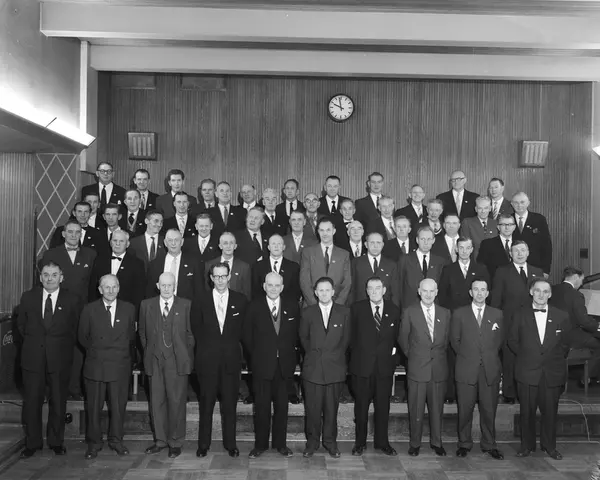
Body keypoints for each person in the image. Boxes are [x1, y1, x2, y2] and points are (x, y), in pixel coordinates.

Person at [18, 262, 81, 458]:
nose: (49, 278)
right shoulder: (28, 297)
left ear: (61, 277)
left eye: (54, 275)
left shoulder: (72, 299)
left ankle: (56, 442)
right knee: (32, 402)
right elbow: (21, 327)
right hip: (33, 359)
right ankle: (32, 443)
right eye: (46, 275)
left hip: (60, 359)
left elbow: (75, 329)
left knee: (58, 401)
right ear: (40, 277)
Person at [508, 278, 571, 460]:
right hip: (527, 371)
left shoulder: (562, 316)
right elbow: (512, 341)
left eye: (545, 291)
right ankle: (526, 446)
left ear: (550, 295)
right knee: (526, 412)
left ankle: (549, 446)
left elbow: (565, 344)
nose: (541, 295)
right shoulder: (519, 315)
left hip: (552, 373)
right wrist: (529, 356)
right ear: (531, 292)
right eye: (537, 290)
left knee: (550, 412)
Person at [192, 263, 248, 458]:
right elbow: (196, 329)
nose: (220, 280)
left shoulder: (240, 300)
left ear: (229, 276)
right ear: (211, 278)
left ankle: (231, 444)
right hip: (207, 361)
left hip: (231, 361)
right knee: (206, 404)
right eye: (217, 276)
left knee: (230, 405)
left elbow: (243, 331)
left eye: (224, 276)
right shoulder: (200, 300)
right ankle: (203, 444)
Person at [243, 272, 300, 458]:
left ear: (282, 287)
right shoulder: (254, 306)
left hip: (284, 366)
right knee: (261, 407)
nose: (273, 289)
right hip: (262, 365)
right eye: (270, 285)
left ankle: (280, 444)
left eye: (277, 285)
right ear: (264, 286)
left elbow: (296, 334)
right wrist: (258, 356)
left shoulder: (292, 306)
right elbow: (247, 336)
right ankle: (260, 445)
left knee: (282, 407)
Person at [79, 274, 136, 459]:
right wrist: (98, 352)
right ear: (100, 289)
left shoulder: (129, 309)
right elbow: (82, 337)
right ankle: (94, 443)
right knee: (93, 407)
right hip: (96, 365)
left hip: (120, 365)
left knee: (118, 407)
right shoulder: (89, 309)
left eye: (114, 287)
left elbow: (131, 337)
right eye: (106, 287)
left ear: (119, 288)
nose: (111, 291)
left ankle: (116, 440)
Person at [139, 272, 194, 459]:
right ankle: (160, 440)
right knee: (157, 402)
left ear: (175, 286)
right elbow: (142, 333)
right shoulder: (146, 305)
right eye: (163, 285)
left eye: (170, 285)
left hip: (177, 361)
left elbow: (190, 335)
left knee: (176, 402)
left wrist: (184, 356)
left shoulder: (185, 305)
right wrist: (151, 352)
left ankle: (175, 441)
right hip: (154, 360)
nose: (166, 288)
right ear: (157, 285)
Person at [41, 219, 97, 400]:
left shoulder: (91, 254)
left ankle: (75, 388)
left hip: (82, 311)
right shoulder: (51, 254)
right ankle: (55, 389)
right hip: (57, 311)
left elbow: (93, 285)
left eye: (77, 232)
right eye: (70, 232)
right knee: (56, 350)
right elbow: (44, 283)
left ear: (81, 234)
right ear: (64, 234)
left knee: (79, 350)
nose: (74, 235)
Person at [450, 278, 504, 460]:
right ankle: (464, 444)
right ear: (470, 292)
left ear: (487, 293)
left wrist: (486, 356)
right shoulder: (459, 314)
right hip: (466, 368)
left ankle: (489, 444)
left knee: (489, 410)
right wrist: (470, 356)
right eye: (476, 289)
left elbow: (499, 342)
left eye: (483, 290)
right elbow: (455, 341)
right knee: (465, 410)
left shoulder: (497, 314)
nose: (479, 293)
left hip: (489, 370)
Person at [398, 278, 451, 457]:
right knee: (416, 409)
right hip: (417, 368)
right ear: (419, 292)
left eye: (431, 291)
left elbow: (446, 341)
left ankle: (437, 442)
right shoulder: (409, 312)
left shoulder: (445, 313)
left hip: (438, 369)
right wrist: (415, 357)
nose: (428, 295)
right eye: (425, 291)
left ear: (436, 292)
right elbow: (403, 339)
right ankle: (415, 443)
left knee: (437, 410)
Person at [300, 277, 351, 458]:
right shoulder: (307, 312)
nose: (324, 293)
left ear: (333, 292)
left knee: (331, 410)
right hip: (313, 368)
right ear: (315, 292)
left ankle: (330, 442)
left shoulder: (344, 312)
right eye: (320, 290)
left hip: (334, 367)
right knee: (312, 410)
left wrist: (332, 356)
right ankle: (312, 443)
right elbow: (303, 339)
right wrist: (316, 355)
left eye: (327, 290)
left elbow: (346, 340)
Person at [349, 276, 401, 456]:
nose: (374, 291)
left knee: (383, 407)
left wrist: (393, 360)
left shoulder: (394, 310)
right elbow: (350, 337)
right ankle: (360, 443)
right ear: (366, 291)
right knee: (361, 408)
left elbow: (397, 338)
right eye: (370, 288)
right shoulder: (356, 309)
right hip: (362, 367)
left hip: (384, 369)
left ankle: (382, 442)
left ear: (384, 290)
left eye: (377, 288)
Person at [490, 240, 544, 403]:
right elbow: (496, 299)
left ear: (528, 252)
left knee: (530, 357)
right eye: (516, 251)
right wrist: (495, 322)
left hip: (532, 322)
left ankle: (529, 391)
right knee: (510, 359)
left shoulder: (537, 271)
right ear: (510, 254)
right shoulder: (502, 271)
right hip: (509, 323)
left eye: (522, 250)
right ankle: (509, 393)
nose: (520, 254)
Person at [437, 236, 489, 403]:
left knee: (475, 355)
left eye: (468, 248)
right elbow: (442, 296)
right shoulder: (448, 269)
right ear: (456, 249)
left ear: (472, 250)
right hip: (455, 319)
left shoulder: (481, 268)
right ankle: (451, 394)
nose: (464, 251)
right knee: (454, 355)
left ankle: (476, 393)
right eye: (461, 248)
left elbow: (486, 294)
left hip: (475, 318)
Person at [551, 266, 600, 387]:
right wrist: (597, 326)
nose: (581, 283)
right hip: (570, 336)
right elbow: (583, 321)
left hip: (552, 334)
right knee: (598, 345)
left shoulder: (552, 289)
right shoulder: (576, 295)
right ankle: (586, 378)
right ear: (575, 277)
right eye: (581, 280)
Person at [299, 218, 352, 306]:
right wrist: (315, 305)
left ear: (334, 231)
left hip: (337, 306)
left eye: (328, 230)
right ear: (318, 232)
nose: (325, 234)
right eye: (322, 230)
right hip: (312, 305)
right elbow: (304, 282)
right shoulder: (308, 252)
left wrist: (336, 306)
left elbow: (347, 283)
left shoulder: (344, 254)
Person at [89, 230, 145, 310]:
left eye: (121, 241)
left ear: (127, 244)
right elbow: (93, 287)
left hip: (126, 310)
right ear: (110, 243)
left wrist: (134, 314)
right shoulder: (99, 261)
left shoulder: (137, 264)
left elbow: (139, 292)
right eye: (115, 240)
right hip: (101, 309)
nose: (117, 244)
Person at [146, 229, 202, 301]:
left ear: (182, 242)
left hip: (187, 306)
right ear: (165, 243)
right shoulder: (154, 264)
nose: (173, 243)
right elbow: (150, 292)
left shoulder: (194, 263)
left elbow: (199, 291)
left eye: (176, 240)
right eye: (170, 240)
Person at [398, 226, 446, 308]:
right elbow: (398, 286)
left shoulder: (440, 262)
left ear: (433, 240)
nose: (425, 242)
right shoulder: (405, 260)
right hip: (410, 308)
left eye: (429, 239)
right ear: (417, 240)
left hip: (433, 308)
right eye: (422, 239)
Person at [351, 232, 400, 307]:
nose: (375, 246)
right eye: (372, 243)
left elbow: (395, 292)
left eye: (378, 243)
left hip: (385, 308)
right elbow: (352, 290)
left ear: (383, 245)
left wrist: (394, 309)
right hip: (361, 308)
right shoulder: (356, 263)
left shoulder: (391, 265)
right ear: (366, 244)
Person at [511, 192, 552, 277]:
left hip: (535, 267)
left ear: (528, 203)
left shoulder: (539, 219)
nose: (519, 205)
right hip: (512, 267)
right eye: (516, 202)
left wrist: (546, 270)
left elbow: (546, 246)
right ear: (511, 204)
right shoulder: (507, 220)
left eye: (522, 202)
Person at [251, 234, 301, 301]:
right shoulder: (257, 266)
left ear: (284, 247)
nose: (276, 246)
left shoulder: (294, 267)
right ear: (268, 247)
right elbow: (255, 291)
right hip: (263, 305)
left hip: (287, 304)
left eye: (279, 244)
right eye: (273, 244)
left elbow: (295, 292)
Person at [205, 232, 252, 300]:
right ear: (220, 246)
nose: (228, 246)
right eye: (225, 243)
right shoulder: (209, 265)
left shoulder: (244, 267)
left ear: (235, 246)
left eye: (231, 243)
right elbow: (207, 289)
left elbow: (246, 293)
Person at [476, 213, 516, 279]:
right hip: (494, 281)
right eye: (503, 224)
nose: (507, 227)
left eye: (510, 224)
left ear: (514, 227)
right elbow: (481, 267)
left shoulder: (520, 243)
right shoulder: (487, 244)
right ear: (498, 227)